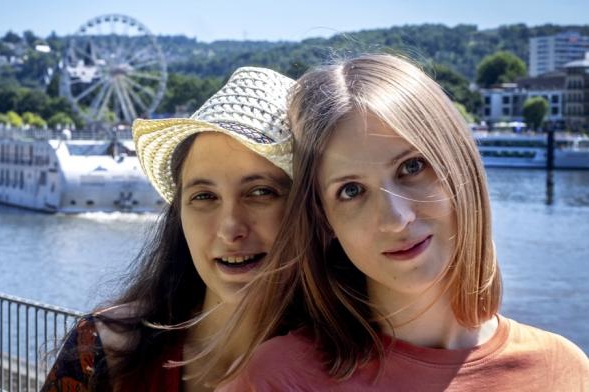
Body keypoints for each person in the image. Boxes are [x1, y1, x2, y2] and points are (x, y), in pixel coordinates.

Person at [212, 54, 589, 391]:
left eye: (412, 167)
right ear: (324, 222)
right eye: (351, 190)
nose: (396, 218)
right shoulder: (279, 380)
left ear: (460, 165)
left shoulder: (563, 371)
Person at [41, 66, 296, 392]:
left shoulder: (354, 371)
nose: (230, 228)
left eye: (261, 192)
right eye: (204, 196)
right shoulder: (105, 349)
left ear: (306, 210)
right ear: (179, 215)